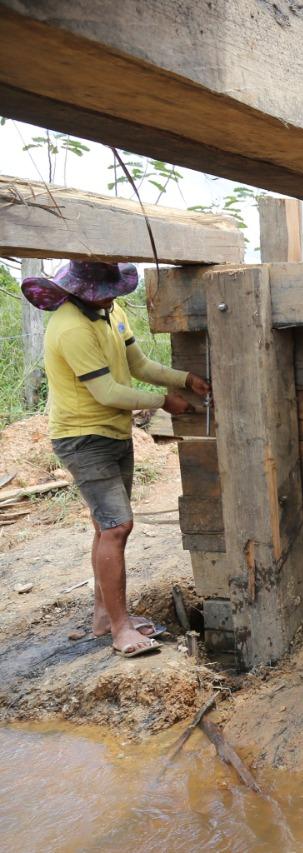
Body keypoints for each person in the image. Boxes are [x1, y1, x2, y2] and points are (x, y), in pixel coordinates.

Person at [22, 261, 208, 658]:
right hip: (83, 437)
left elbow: (138, 365)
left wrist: (184, 379)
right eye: (102, 293)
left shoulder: (111, 312)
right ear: (80, 292)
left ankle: (104, 617)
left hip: (112, 432)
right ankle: (120, 629)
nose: (110, 298)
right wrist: (164, 402)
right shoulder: (71, 328)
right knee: (117, 526)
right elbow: (107, 392)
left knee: (107, 527)